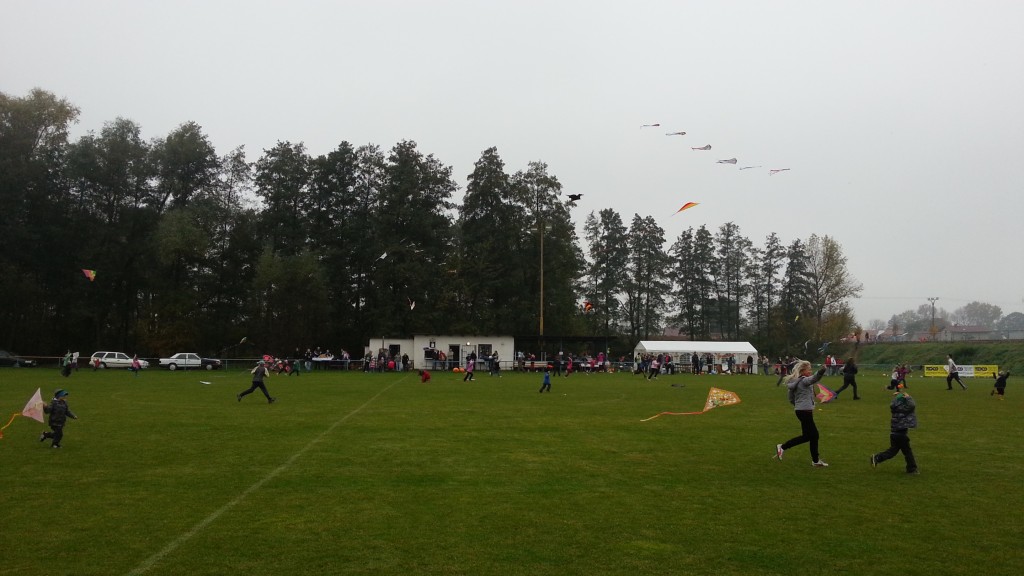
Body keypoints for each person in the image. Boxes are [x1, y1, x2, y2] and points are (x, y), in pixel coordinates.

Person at [775, 360, 829, 467]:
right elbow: (814, 378)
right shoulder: (804, 380)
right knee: (814, 435)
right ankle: (783, 447)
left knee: (808, 436)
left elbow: (791, 398)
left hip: (801, 411)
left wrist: (798, 405)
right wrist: (822, 371)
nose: (810, 371)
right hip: (805, 411)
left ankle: (815, 460)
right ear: (803, 371)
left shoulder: (796, 382)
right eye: (809, 370)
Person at [870, 384, 919, 474]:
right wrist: (908, 397)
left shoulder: (895, 407)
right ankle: (912, 469)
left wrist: (898, 396)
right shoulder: (905, 409)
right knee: (907, 452)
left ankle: (877, 458)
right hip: (901, 434)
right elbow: (912, 405)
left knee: (893, 451)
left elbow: (897, 402)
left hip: (894, 433)